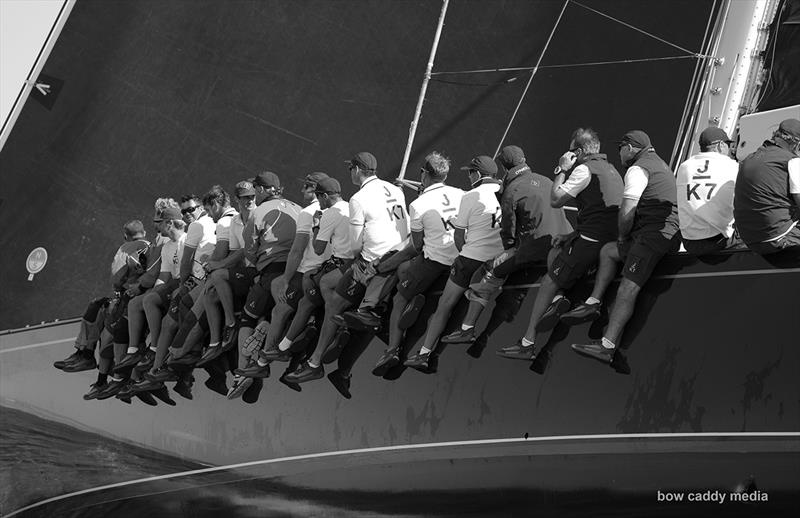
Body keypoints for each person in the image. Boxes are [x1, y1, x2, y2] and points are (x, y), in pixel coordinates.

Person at [284, 152, 408, 393]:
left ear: (358, 169)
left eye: (351, 168)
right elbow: (403, 224)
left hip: (373, 261)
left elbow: (355, 247)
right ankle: (360, 341)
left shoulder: (358, 198)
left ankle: (315, 361)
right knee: (333, 289)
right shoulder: (396, 191)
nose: (349, 172)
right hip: (400, 253)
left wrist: (366, 262)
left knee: (334, 302)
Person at [496, 128, 623, 360]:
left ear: (580, 152)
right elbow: (599, 210)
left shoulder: (584, 169)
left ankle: (527, 343)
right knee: (556, 248)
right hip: (608, 237)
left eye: (571, 150)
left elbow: (555, 200)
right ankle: (559, 299)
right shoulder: (612, 169)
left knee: (548, 280)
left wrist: (562, 169)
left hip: (591, 241)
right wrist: (571, 234)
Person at [437, 145, 571, 355]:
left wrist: (508, 251)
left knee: (487, 272)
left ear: (503, 166)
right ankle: (556, 300)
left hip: (535, 249)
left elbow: (509, 231)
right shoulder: (545, 180)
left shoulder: (512, 190)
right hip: (563, 243)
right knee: (525, 286)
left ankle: (467, 329)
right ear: (524, 160)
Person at [570, 130, 681, 364]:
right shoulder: (658, 163)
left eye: (621, 147)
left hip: (653, 238)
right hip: (661, 234)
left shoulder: (638, 169)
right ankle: (594, 303)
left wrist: (622, 236)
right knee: (608, 252)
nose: (619, 152)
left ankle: (606, 345)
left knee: (627, 288)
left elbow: (628, 210)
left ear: (630, 148)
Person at [367, 152, 464, 375]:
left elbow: (417, 246)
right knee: (444, 307)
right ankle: (430, 352)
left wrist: (382, 266)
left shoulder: (419, 204)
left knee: (400, 296)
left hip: (433, 263)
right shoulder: (461, 194)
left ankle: (391, 349)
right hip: (459, 260)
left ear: (423, 175)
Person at [403, 155, 503, 370]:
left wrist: (460, 258)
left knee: (444, 306)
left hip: (470, 259)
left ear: (476, 174)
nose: (468, 176)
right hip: (496, 260)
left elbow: (459, 237)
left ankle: (424, 354)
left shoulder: (471, 195)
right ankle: (465, 329)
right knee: (474, 298)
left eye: (469, 172)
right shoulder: (505, 191)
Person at [234, 172, 330, 378]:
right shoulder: (297, 208)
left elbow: (250, 249)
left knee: (247, 318)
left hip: (276, 269)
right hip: (312, 271)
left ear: (260, 190)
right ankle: (285, 339)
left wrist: (273, 274)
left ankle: (243, 371)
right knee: (288, 307)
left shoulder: (259, 212)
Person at [96, 205, 186, 399]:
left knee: (115, 333)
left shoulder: (174, 242)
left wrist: (142, 289)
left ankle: (131, 379)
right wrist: (152, 293)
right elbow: (162, 275)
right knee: (120, 328)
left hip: (159, 291)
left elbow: (129, 277)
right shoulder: (165, 244)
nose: (156, 227)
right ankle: (128, 375)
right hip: (142, 294)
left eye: (158, 223)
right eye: (154, 223)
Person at [734, 118, 800, 256]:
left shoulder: (748, 159)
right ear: (796, 144)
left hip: (749, 239)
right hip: (777, 238)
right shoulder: (792, 160)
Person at [676, 126, 740, 255]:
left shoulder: (684, 167)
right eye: (728, 144)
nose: (730, 149)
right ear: (721, 145)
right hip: (718, 241)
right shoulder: (732, 166)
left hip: (689, 242)